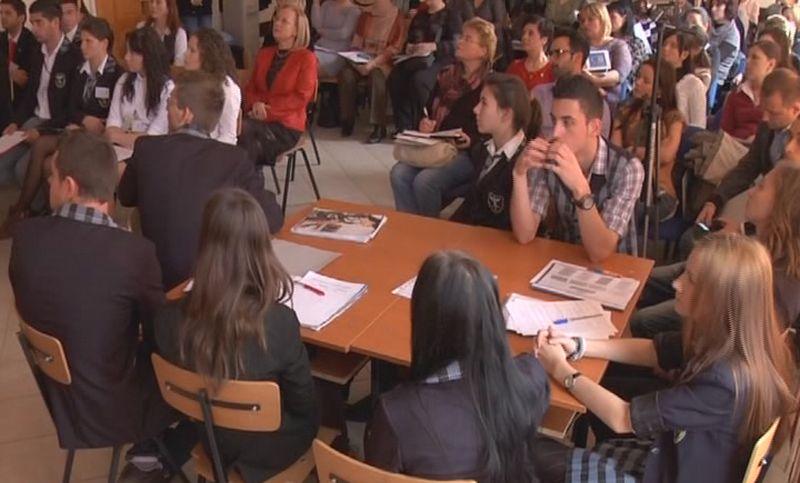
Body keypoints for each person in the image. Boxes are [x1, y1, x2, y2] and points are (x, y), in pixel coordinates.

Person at [534, 233, 798, 482]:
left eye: (691, 279)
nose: (677, 283)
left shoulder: (724, 381)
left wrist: (560, 369)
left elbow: (622, 418)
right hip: (676, 457)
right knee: (601, 389)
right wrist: (579, 345)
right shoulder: (735, 340)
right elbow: (654, 351)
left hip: (668, 472)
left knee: (526, 451)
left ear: (719, 298)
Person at [8, 130, 182, 463]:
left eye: (51, 177)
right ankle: (158, 458)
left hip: (60, 396)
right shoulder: (134, 252)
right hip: (113, 409)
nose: (48, 184)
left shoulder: (25, 236)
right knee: (203, 377)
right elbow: (160, 335)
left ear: (69, 186)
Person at [155, 188, 318, 482]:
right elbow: (304, 405)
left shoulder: (168, 319)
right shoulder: (279, 323)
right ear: (262, 247)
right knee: (327, 395)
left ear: (204, 242)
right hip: (275, 448)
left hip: (213, 439)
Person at [365, 250, 550, 481]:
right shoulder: (529, 379)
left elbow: (376, 475)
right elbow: (532, 370)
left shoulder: (395, 413)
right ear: (492, 318)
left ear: (422, 319)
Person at [118, 70, 283, 290]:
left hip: (155, 280)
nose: (166, 109)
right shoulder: (233, 159)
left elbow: (125, 196)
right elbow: (272, 218)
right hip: (215, 284)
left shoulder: (147, 149)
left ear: (186, 114)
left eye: (170, 103)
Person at [631, 160, 800, 338]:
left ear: (781, 205)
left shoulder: (782, 281)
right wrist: (740, 230)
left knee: (642, 320)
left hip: (715, 319)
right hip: (707, 281)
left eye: (761, 187)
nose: (751, 192)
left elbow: (743, 334)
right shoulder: (763, 237)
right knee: (638, 280)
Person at [0, 16, 122, 235]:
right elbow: (71, 107)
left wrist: (87, 123)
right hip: (77, 129)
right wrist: (83, 120)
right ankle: (26, 209)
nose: (82, 46)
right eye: (81, 41)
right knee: (42, 149)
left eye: (89, 41)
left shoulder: (116, 74)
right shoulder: (81, 70)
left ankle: (23, 210)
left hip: (98, 137)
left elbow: (111, 116)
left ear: (104, 43)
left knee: (45, 154)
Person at [511, 74, 645, 260]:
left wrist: (580, 189)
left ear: (594, 127)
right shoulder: (549, 157)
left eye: (567, 122)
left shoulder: (628, 168)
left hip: (618, 267)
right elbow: (524, 234)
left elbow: (600, 252)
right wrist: (519, 174)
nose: (556, 132)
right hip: (565, 262)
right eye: (554, 120)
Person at [389, 17, 494, 218]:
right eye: (461, 37)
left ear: (483, 50)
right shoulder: (447, 74)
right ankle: (409, 226)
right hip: (436, 144)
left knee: (425, 181)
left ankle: (428, 230)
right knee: (399, 173)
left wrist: (470, 140)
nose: (460, 42)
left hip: (468, 152)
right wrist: (425, 123)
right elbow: (429, 109)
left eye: (468, 39)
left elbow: (491, 130)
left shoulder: (490, 84)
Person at [697, 68, 800, 225]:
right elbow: (748, 167)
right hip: (763, 205)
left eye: (773, 113)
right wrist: (716, 199)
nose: (765, 118)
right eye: (764, 110)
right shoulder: (766, 128)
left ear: (796, 109)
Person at [0, 0, 81, 187]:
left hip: (57, 125)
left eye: (39, 23)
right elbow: (30, 96)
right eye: (32, 23)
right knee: (2, 167)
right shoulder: (37, 52)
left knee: (22, 170)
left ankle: (37, 201)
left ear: (55, 22)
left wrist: (41, 131)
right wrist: (15, 122)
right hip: (34, 119)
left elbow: (71, 109)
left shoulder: (73, 56)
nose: (34, 28)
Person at [451, 73, 539, 231]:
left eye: (484, 103)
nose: (475, 109)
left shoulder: (525, 163)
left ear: (506, 114)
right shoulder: (484, 149)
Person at [239, 3, 316, 168]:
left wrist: (267, 111)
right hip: (257, 116)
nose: (277, 23)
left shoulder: (306, 58)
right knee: (237, 133)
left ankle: (248, 179)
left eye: (284, 21)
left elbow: (300, 97)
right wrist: (256, 104)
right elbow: (251, 88)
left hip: (286, 126)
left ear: (296, 30)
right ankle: (249, 179)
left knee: (245, 134)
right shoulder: (264, 54)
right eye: (276, 19)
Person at [612, 59, 684, 221]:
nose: (637, 83)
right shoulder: (625, 111)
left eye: (646, 81)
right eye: (638, 77)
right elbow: (615, 151)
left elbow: (666, 154)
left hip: (659, 193)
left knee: (625, 211)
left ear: (660, 90)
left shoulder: (673, 118)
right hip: (626, 184)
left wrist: (635, 151)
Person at [387, 0, 463, 133]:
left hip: (441, 60)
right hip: (417, 58)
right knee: (395, 77)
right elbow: (410, 39)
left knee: (419, 80)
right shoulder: (420, 15)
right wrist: (409, 47)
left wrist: (434, 46)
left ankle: (422, 123)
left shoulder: (452, 15)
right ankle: (403, 125)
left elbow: (456, 45)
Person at [337, 0, 405, 143]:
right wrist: (357, 63)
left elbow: (395, 48)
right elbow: (356, 42)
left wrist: (373, 64)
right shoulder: (366, 16)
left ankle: (378, 125)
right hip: (362, 59)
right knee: (346, 74)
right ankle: (347, 119)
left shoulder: (397, 17)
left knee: (376, 78)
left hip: (382, 62)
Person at [532, 28, 612, 139]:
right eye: (550, 54)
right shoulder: (539, 94)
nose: (551, 60)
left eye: (558, 53)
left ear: (578, 57)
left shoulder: (596, 102)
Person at [105, 27, 173, 150]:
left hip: (151, 152)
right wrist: (129, 138)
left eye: (132, 53)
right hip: (121, 148)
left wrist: (121, 137)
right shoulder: (124, 80)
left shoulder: (167, 88)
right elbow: (111, 126)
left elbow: (154, 138)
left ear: (147, 55)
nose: (126, 57)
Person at [184, 27, 241, 145]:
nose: (185, 55)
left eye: (192, 51)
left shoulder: (227, 89)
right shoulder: (185, 82)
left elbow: (228, 136)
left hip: (212, 148)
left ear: (207, 56)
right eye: (187, 49)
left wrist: (205, 150)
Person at [720, 39, 780, 142]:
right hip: (734, 145)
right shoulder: (736, 95)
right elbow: (724, 132)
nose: (748, 62)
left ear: (770, 64)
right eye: (748, 57)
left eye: (755, 58)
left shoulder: (778, 97)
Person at [578, 3, 632, 108]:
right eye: (582, 21)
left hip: (609, 100)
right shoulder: (579, 46)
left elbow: (619, 74)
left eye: (590, 19)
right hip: (581, 98)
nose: (585, 24)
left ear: (602, 20)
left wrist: (595, 81)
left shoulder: (618, 45)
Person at [662, 29, 708, 129]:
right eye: (664, 44)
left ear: (684, 54)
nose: (665, 49)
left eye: (673, 46)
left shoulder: (694, 84)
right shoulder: (656, 77)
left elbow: (698, 126)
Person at [1, 0, 39, 111]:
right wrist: (9, 70)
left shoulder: (33, 42)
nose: (3, 17)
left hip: (24, 105)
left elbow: (24, 79)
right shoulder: (1, 39)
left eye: (8, 13)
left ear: (21, 18)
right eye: (1, 13)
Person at [607, 1, 648, 100]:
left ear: (624, 18)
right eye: (606, 17)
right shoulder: (604, 41)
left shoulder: (636, 43)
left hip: (626, 89)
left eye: (612, 17)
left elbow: (632, 71)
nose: (608, 21)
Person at [311, 0, 360, 78]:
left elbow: (343, 34)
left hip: (338, 52)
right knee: (303, 61)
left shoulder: (353, 10)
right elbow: (317, 25)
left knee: (309, 68)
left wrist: (322, 31)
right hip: (320, 47)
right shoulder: (327, 4)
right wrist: (315, 3)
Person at [505, 15, 554, 92]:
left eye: (530, 33)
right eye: (523, 33)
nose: (524, 37)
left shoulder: (552, 70)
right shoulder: (515, 67)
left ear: (544, 39)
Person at [708, 0, 741, 111]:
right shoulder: (709, 24)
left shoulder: (733, 35)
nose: (713, 9)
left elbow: (714, 58)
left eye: (718, 6)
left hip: (715, 81)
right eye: (712, 5)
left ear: (729, 8)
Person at [142, 0, 188, 66]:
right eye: (151, 1)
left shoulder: (179, 33)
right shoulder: (142, 28)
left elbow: (179, 63)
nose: (153, 5)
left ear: (169, 7)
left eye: (158, 2)